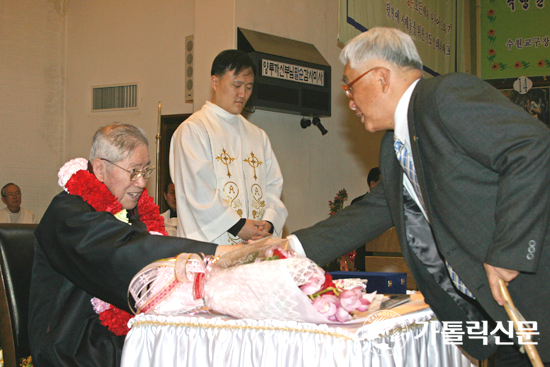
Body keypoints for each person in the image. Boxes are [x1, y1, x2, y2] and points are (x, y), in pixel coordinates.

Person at [289, 27, 550, 366]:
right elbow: (375, 209)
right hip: (496, 316)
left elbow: (531, 148)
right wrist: (290, 248)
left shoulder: (443, 96)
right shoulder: (395, 143)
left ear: (381, 77)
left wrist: (510, 252)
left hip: (532, 291)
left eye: (350, 86)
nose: (350, 102)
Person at [28, 123, 239, 367]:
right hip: (74, 347)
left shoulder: (130, 213)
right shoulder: (68, 213)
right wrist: (215, 253)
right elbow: (123, 252)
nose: (141, 182)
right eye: (133, 171)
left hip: (122, 340)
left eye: (145, 170)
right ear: (99, 169)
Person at [170, 49, 288, 245]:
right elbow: (197, 190)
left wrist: (269, 221)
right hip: (213, 249)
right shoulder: (194, 130)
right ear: (215, 82)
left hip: (255, 247)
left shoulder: (258, 135)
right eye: (237, 85)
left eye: (249, 87)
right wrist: (237, 226)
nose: (243, 94)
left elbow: (273, 185)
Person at [351, 167, 381, 271]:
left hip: (388, 257)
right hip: (364, 257)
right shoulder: (358, 203)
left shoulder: (394, 204)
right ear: (373, 184)